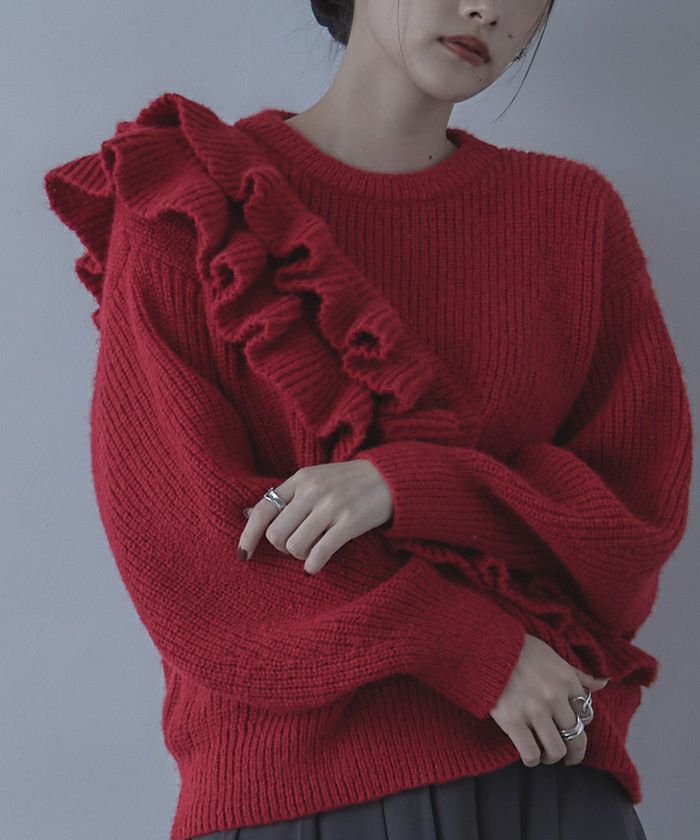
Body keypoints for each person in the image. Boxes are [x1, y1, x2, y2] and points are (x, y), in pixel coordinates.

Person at [43, 1, 692, 838]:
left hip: (549, 789)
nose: (488, 7)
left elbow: (632, 526)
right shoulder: (188, 208)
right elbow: (191, 559)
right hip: (295, 801)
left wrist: (410, 486)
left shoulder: (572, 217)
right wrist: (467, 645)